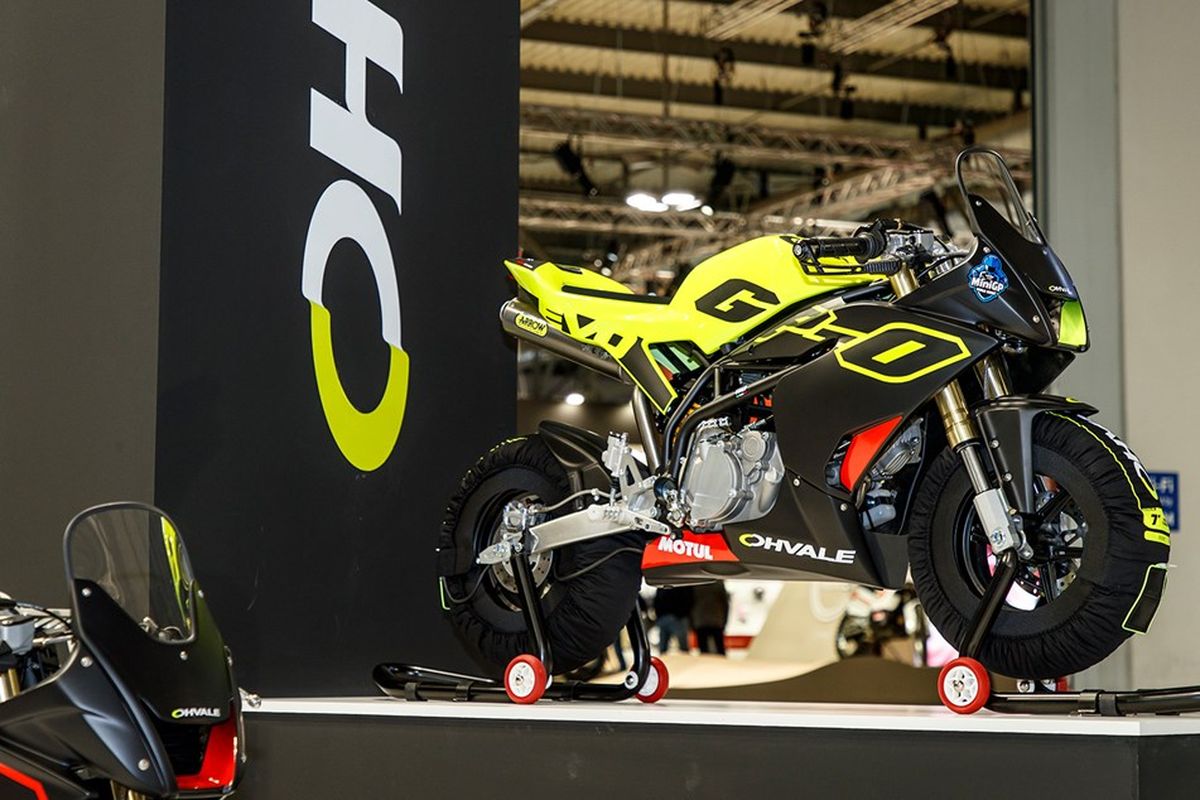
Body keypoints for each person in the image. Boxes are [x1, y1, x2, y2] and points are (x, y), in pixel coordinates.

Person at [690, 582, 729, 656]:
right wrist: (725, 620)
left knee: (704, 649)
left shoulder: (696, 585)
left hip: (701, 620)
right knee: (719, 648)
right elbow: (725, 604)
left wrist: (692, 623)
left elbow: (691, 604)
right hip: (716, 620)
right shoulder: (718, 584)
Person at [653, 586, 693, 654]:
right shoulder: (662, 586)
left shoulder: (683, 585)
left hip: (677, 617)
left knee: (683, 646)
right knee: (663, 647)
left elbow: (689, 599)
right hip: (666, 616)